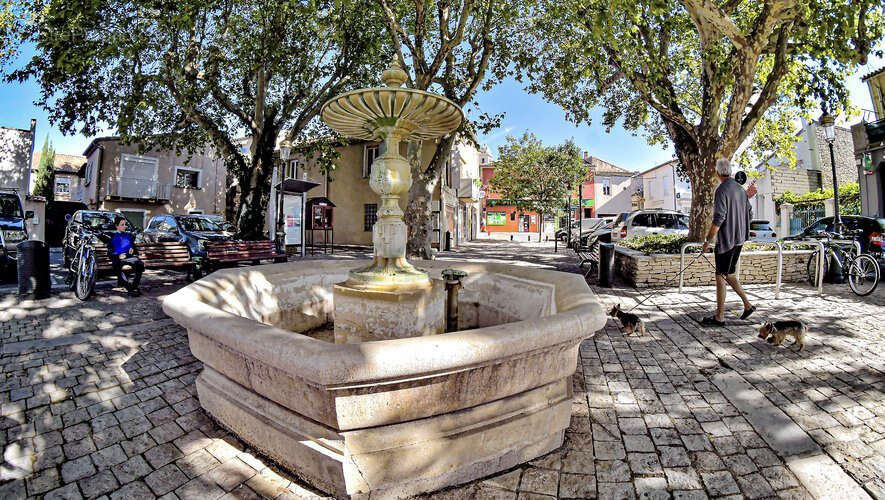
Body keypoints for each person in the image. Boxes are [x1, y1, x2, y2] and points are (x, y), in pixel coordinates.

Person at [701, 158, 757, 326]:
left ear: (717, 173)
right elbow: (750, 214)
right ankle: (748, 305)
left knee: (720, 277)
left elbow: (719, 218)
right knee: (729, 274)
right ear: (730, 172)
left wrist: (707, 241)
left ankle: (719, 317)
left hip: (726, 242)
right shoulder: (740, 190)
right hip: (739, 239)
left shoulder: (721, 191)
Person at [108, 216, 144, 297]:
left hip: (129, 259)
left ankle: (133, 287)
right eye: (122, 224)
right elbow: (110, 253)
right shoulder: (112, 237)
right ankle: (131, 289)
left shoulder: (128, 236)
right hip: (118, 260)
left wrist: (133, 250)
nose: (125, 226)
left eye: (125, 224)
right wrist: (118, 256)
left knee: (140, 264)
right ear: (117, 226)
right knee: (119, 267)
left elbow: (134, 249)